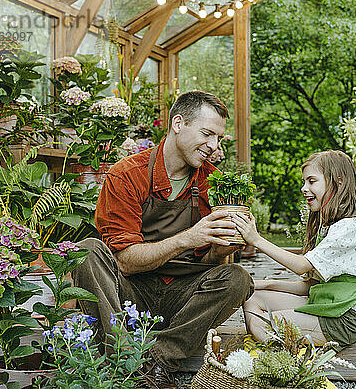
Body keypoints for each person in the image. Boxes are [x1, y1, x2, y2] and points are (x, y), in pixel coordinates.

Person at [73, 90, 254, 389]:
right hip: (128, 294)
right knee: (86, 251)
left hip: (182, 298)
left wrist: (225, 246)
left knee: (237, 278)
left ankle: (158, 361)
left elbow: (209, 261)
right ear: (178, 123)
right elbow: (126, 263)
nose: (214, 147)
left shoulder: (213, 180)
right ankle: (120, 355)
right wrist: (188, 238)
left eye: (218, 138)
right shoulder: (127, 176)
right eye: (207, 134)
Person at [233, 150, 356, 350]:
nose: (304, 188)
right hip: (328, 307)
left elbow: (301, 266)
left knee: (262, 321)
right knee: (254, 299)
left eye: (312, 181)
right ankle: (281, 354)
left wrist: (256, 239)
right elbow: (309, 287)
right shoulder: (330, 226)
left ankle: (287, 368)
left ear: (338, 181)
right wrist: (266, 284)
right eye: (304, 182)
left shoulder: (348, 228)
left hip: (343, 319)